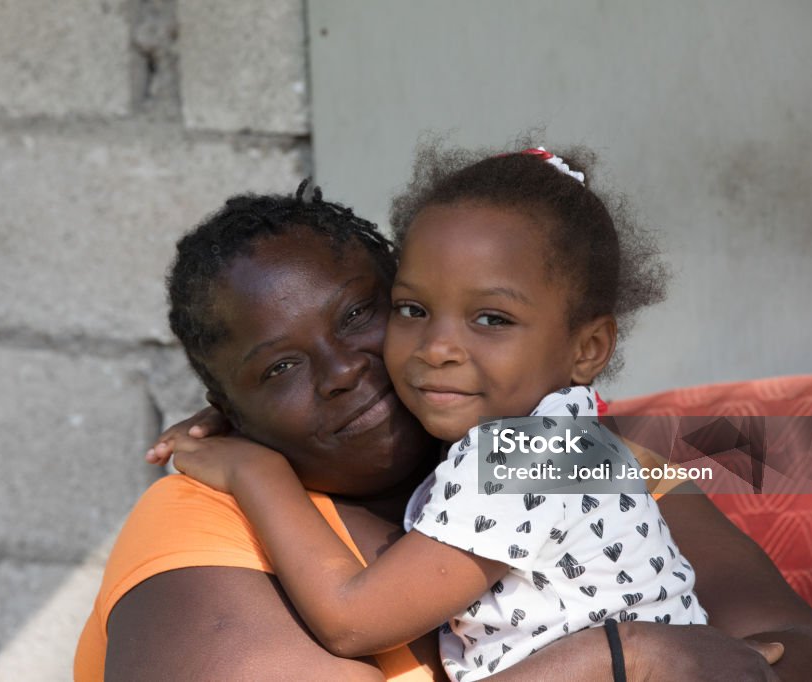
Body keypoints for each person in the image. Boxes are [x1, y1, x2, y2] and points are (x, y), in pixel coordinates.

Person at [75, 177, 812, 681]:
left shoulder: (558, 457)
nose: (341, 370)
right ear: (229, 414)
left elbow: (797, 652)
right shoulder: (204, 521)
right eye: (278, 370)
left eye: (362, 314)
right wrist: (621, 657)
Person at [165, 146, 708, 680]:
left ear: (587, 349)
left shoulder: (531, 458)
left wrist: (253, 471)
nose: (437, 347)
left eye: (492, 318)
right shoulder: (559, 435)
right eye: (414, 310)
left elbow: (352, 621)